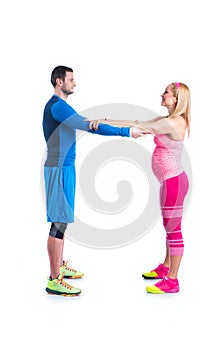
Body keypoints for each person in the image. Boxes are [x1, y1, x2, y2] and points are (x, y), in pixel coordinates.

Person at [42, 65, 147, 297]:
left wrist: (118, 125)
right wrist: (127, 132)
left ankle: (59, 267)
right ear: (59, 81)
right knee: (58, 222)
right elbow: (88, 126)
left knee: (63, 220)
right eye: (71, 79)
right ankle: (53, 279)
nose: (74, 83)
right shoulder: (57, 106)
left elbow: (85, 122)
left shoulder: (62, 107)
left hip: (65, 167)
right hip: (58, 168)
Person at [90, 82, 191, 294]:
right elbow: (137, 122)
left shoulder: (174, 122)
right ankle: (166, 267)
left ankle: (172, 281)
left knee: (174, 230)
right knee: (169, 226)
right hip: (169, 181)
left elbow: (142, 127)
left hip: (174, 181)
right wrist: (105, 121)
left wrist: (106, 125)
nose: (161, 95)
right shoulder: (167, 120)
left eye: (166, 92)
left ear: (176, 98)